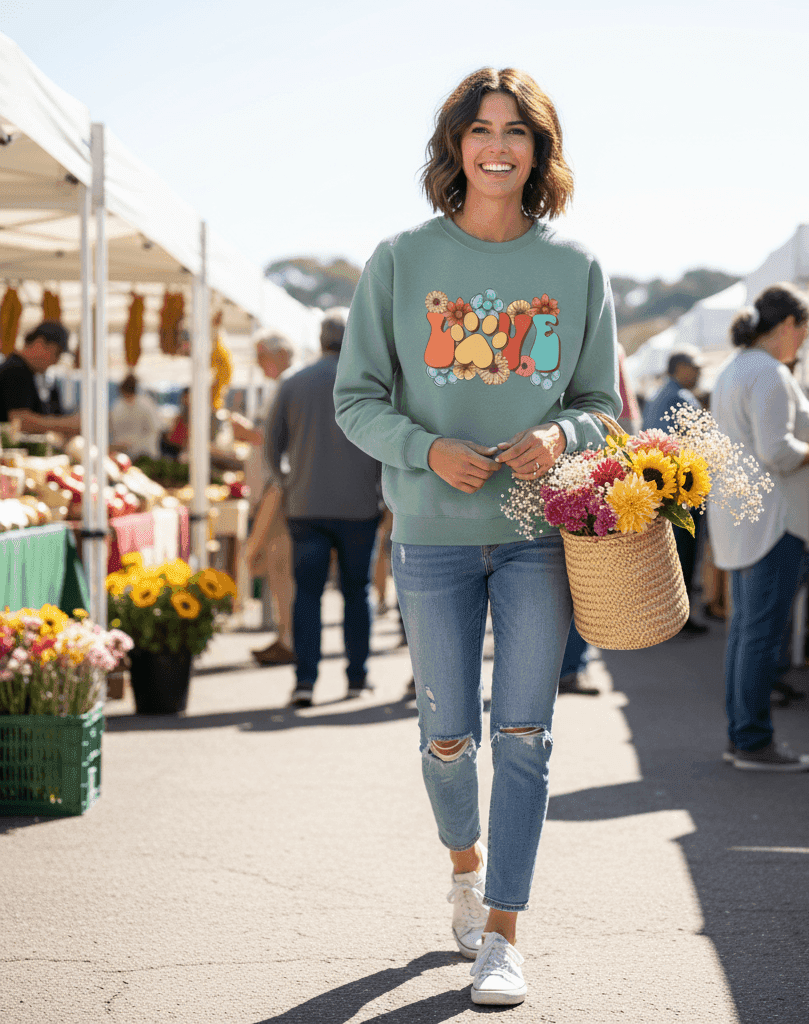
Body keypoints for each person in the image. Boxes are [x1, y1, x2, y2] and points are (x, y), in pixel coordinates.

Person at [334, 67, 620, 1007]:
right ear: (455, 146)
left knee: (527, 734)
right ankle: (465, 863)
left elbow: (599, 407)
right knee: (447, 735)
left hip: (540, 536)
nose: (498, 146)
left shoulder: (575, 269)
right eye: (481, 129)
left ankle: (503, 929)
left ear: (540, 151)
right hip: (431, 531)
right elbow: (356, 399)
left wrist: (561, 435)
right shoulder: (400, 260)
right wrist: (426, 448)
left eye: (517, 131)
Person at [707, 286, 809, 772]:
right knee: (761, 637)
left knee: (747, 634)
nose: (805, 339)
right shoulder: (767, 372)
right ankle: (752, 740)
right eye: (805, 329)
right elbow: (778, 452)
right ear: (788, 324)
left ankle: (744, 736)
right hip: (773, 522)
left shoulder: (736, 370)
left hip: (748, 520)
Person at [267, 309, 381, 707]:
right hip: (360, 505)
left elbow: (272, 447)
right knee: (357, 592)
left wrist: (288, 483)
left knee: (308, 595)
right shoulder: (371, 384)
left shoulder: (293, 383)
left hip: (306, 506)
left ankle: (305, 681)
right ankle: (357, 678)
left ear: (320, 339)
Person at [240, 330, 296, 667]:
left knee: (277, 563)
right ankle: (285, 635)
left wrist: (244, 433)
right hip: (274, 490)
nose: (259, 363)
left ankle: (288, 638)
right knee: (276, 566)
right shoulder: (285, 385)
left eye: (261, 355)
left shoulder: (287, 386)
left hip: (277, 491)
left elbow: (275, 438)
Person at [642, 345, 708, 634]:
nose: (700, 371)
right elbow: (698, 442)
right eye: (696, 366)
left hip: (662, 489)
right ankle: (678, 619)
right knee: (682, 554)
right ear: (680, 368)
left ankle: (665, 618)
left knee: (667, 556)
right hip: (681, 491)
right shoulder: (680, 397)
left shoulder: (660, 394)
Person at [0, 321, 80, 435]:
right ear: (39, 343)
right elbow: (19, 421)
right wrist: (67, 424)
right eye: (56, 353)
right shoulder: (15, 370)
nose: (56, 361)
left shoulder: (34, 374)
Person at [109, 374, 161, 459]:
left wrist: (133, 444)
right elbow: (114, 429)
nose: (127, 398)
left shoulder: (145, 404)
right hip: (122, 454)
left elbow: (155, 429)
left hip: (144, 454)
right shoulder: (118, 405)